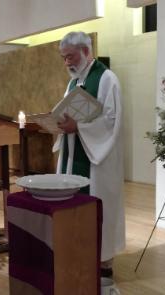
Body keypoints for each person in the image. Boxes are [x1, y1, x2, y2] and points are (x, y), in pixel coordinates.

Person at [54, 31, 124, 279]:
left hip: (97, 159)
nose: (67, 63)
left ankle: (104, 263)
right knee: (73, 206)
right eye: (64, 58)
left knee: (99, 206)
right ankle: (79, 253)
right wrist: (59, 123)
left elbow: (112, 121)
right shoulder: (73, 83)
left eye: (70, 57)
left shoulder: (107, 79)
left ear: (85, 51)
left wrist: (80, 128)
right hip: (74, 155)